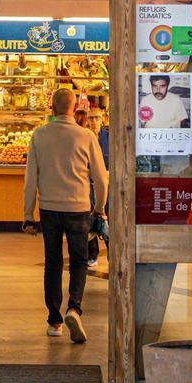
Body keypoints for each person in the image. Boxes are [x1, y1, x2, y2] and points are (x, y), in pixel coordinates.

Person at [24, 88, 108, 343]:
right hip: (79, 208)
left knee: (53, 262)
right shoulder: (86, 136)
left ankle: (54, 320)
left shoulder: (39, 135)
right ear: (74, 109)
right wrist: (100, 208)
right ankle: (74, 307)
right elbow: (101, 178)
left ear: (52, 108)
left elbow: (30, 179)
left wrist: (28, 214)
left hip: (49, 208)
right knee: (79, 261)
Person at [85, 109, 109, 267]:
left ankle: (112, 253)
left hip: (107, 184)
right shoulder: (84, 137)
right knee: (89, 220)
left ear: (102, 119)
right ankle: (92, 254)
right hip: (87, 185)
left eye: (96, 118)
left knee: (108, 221)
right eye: (91, 118)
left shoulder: (109, 137)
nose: (94, 121)